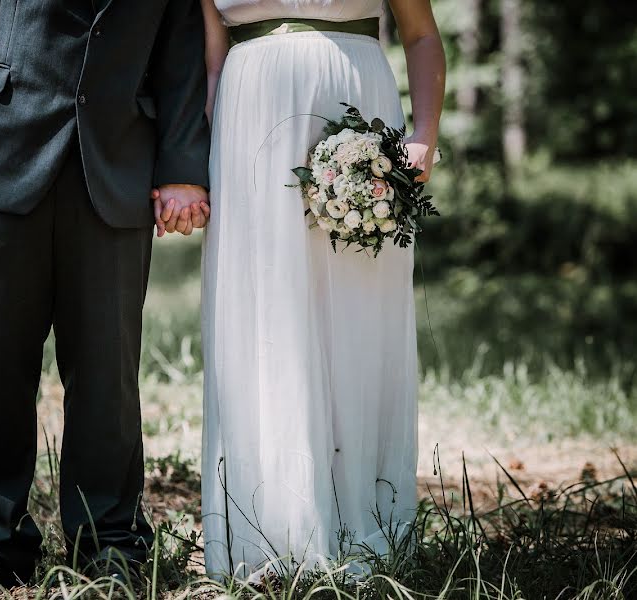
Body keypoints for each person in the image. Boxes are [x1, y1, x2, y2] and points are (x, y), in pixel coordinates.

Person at [0, 0, 211, 588]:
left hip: (118, 158)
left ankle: (110, 541)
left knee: (109, 368)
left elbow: (183, 32)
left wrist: (183, 162)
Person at [164, 0, 445, 581]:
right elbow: (212, 61)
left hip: (360, 105)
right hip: (249, 123)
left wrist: (422, 136)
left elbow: (420, 34)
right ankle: (272, 528)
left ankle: (367, 523)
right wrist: (202, 158)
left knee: (360, 311)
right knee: (265, 312)